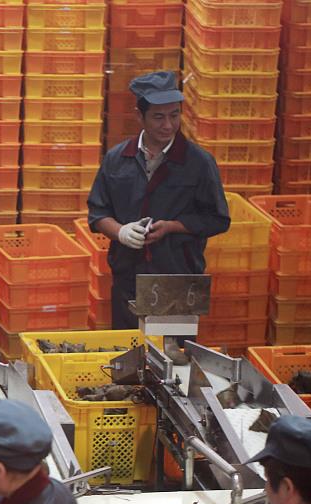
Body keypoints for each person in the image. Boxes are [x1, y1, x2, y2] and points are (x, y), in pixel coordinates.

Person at [87, 70, 231, 329]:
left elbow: (218, 219)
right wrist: (121, 232)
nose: (168, 125)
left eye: (174, 115)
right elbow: (98, 213)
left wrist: (173, 227)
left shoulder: (198, 163)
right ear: (139, 116)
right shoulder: (117, 159)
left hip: (177, 278)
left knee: (174, 358)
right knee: (128, 355)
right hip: (128, 277)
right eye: (158, 117)